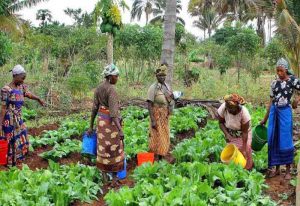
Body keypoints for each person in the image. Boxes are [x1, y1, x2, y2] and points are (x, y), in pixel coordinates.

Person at [260, 58, 300, 180]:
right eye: (277, 71)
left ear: (286, 70)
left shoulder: (293, 80)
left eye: (281, 70)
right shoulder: (273, 83)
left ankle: (287, 169)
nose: (279, 73)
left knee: (286, 139)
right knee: (274, 139)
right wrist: (265, 119)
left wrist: (296, 100)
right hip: (274, 113)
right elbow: (271, 102)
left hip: (285, 113)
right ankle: (277, 169)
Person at [0, 65, 45, 167]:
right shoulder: (6, 89)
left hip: (18, 118)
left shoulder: (21, 87)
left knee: (22, 136)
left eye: (24, 79)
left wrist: (38, 99)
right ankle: (10, 163)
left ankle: (19, 160)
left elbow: (28, 94)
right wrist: (0, 124)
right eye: (22, 78)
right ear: (15, 76)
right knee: (11, 140)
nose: (23, 81)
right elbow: (3, 108)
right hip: (9, 120)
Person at [88, 64, 124, 186]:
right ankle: (114, 180)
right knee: (114, 150)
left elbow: (94, 108)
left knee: (103, 149)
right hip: (111, 124)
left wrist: (91, 126)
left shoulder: (98, 89)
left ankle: (104, 178)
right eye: (116, 76)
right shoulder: (112, 90)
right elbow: (113, 114)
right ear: (110, 77)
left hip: (101, 123)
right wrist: (120, 130)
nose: (117, 78)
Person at [217, 94, 253, 170]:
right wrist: (227, 134)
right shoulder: (224, 108)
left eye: (231, 108)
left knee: (246, 150)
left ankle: (248, 169)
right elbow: (220, 123)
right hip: (231, 133)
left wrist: (244, 148)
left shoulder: (244, 114)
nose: (229, 110)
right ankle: (235, 171)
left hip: (243, 134)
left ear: (236, 106)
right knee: (232, 153)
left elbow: (244, 133)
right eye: (227, 107)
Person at [147, 64, 174, 160]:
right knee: (157, 136)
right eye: (160, 76)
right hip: (157, 115)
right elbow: (149, 104)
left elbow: (170, 99)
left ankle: (162, 155)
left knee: (165, 135)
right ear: (156, 76)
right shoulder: (153, 88)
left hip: (165, 115)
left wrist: (174, 98)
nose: (162, 77)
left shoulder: (167, 86)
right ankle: (156, 157)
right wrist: (153, 120)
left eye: (163, 76)